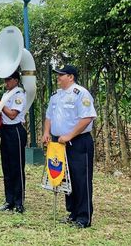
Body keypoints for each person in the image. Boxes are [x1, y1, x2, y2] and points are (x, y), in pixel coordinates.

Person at [43, 65, 97, 228]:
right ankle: (73, 213)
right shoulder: (56, 95)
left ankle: (84, 217)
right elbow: (49, 116)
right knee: (66, 178)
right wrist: (46, 132)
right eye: (58, 75)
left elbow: (87, 117)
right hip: (59, 143)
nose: (58, 77)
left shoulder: (80, 93)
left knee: (81, 179)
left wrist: (70, 135)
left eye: (61, 75)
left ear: (71, 77)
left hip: (78, 142)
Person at [0, 70, 27, 213]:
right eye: (5, 80)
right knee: (7, 167)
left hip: (15, 130)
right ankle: (9, 200)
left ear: (16, 80)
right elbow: (1, 112)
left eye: (9, 80)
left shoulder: (19, 94)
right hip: (5, 131)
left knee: (17, 167)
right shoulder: (6, 94)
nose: (6, 82)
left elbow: (12, 115)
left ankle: (19, 202)